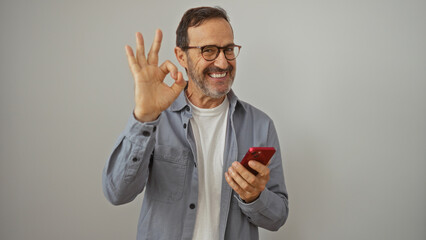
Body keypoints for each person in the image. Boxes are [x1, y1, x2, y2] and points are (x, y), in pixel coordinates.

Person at [102, 6, 289, 240]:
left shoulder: (260, 125)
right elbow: (116, 192)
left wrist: (254, 197)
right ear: (182, 56)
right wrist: (144, 119)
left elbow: (278, 217)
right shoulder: (157, 119)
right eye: (208, 50)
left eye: (228, 49)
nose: (222, 62)